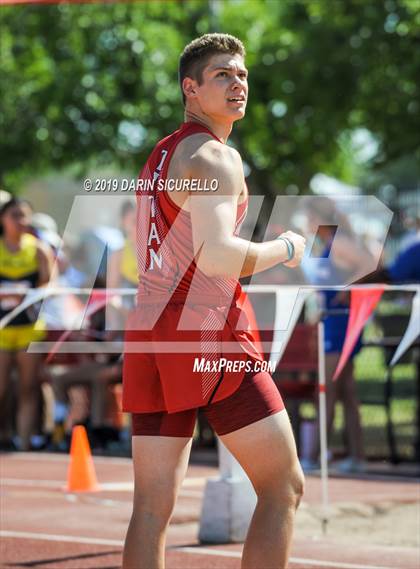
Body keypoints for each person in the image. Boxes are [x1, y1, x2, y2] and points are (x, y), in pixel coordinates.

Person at [122, 33, 306, 569]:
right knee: (283, 486)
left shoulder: (161, 153)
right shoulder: (216, 157)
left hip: (152, 329)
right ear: (191, 88)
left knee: (151, 509)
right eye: (223, 75)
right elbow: (218, 256)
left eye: (242, 75)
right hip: (206, 333)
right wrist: (287, 247)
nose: (238, 84)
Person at [299, 196, 374, 473]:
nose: (305, 222)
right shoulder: (327, 244)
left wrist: (348, 289)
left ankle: (314, 457)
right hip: (334, 320)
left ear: (319, 217)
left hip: (340, 324)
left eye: (308, 216)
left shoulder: (338, 242)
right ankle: (358, 458)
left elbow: (371, 262)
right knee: (347, 392)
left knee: (327, 390)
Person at [0, 197, 53, 450]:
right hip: (1, 331)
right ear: (3, 218)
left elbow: (50, 287)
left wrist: (29, 293)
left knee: (28, 387)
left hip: (29, 329)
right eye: (15, 215)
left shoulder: (40, 249)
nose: (21, 221)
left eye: (25, 216)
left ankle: (23, 445)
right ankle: (5, 434)